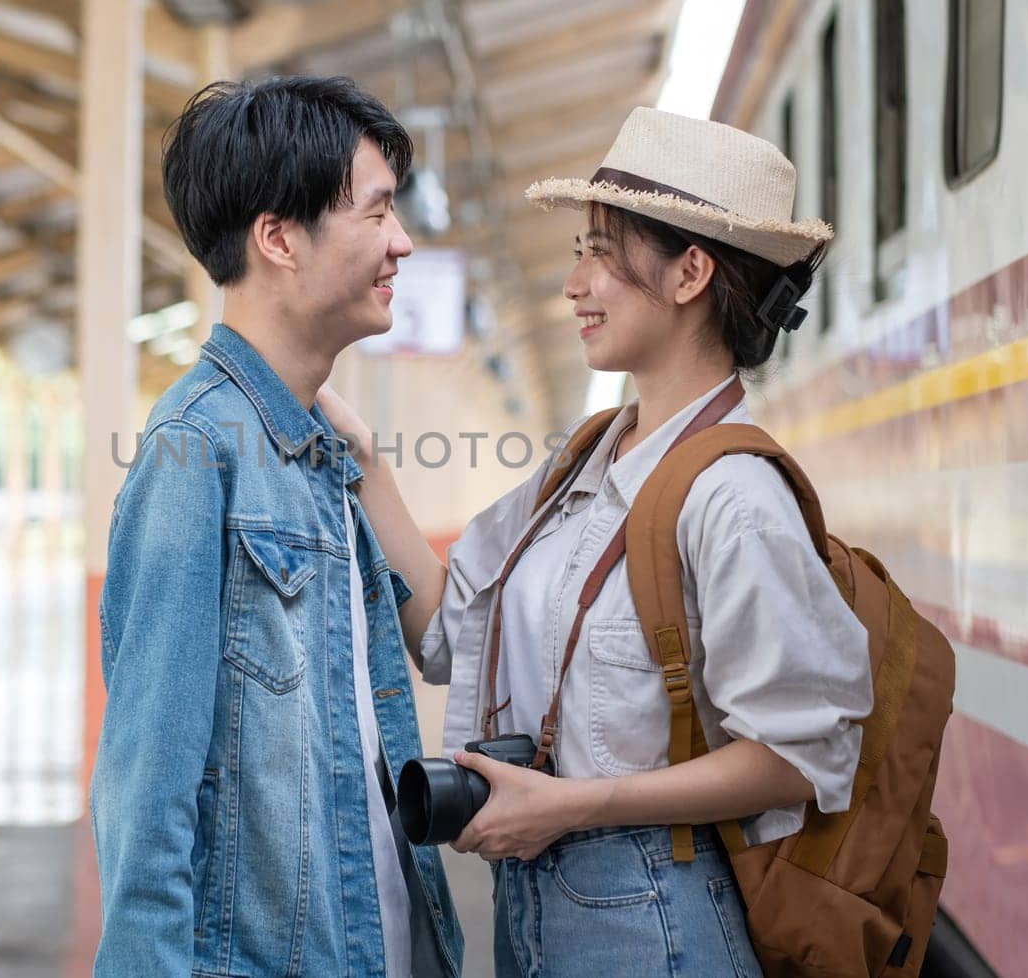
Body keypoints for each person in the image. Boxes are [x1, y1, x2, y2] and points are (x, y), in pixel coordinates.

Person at [320, 107, 875, 976]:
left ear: (691, 271)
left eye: (599, 253)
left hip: (658, 919)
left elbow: (796, 757)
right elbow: (442, 638)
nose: (573, 286)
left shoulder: (732, 495)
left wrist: (576, 804)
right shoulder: (580, 467)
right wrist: (361, 459)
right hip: (539, 915)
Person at [90, 76, 463, 977]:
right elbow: (146, 797)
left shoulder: (322, 451)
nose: (401, 243)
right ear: (279, 238)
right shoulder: (195, 451)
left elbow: (438, 646)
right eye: (376, 213)